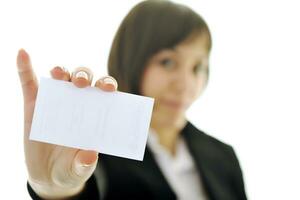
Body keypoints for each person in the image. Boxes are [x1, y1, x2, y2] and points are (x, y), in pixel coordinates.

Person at [17, 0, 247, 199]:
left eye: (198, 67)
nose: (186, 84)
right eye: (167, 62)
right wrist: (56, 191)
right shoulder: (93, 150)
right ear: (132, 60)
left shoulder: (223, 156)